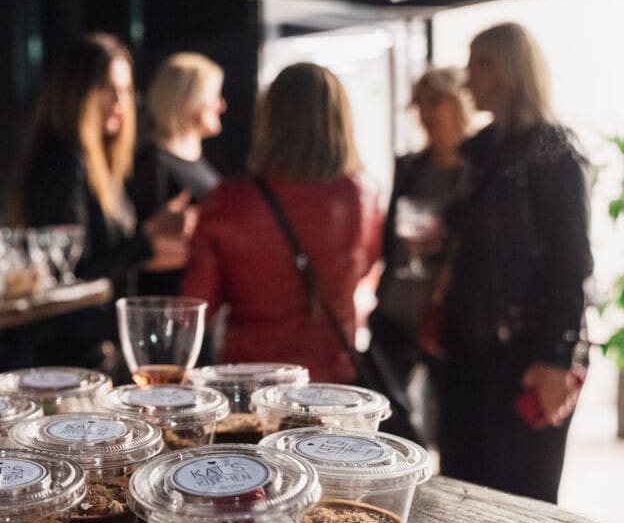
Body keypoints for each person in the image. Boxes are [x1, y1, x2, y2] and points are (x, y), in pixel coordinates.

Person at [435, 22, 591, 503]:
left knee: (522, 504)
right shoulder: (483, 154)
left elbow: (571, 261)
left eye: (479, 64)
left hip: (525, 355)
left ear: (508, 70)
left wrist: (555, 357)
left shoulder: (552, 151)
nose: (467, 79)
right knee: (464, 494)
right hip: (470, 354)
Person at [181, 62, 381, 382]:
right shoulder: (364, 196)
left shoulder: (229, 200)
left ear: (268, 119)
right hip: (334, 382)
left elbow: (197, 309)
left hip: (251, 381)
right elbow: (363, 268)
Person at [11, 32, 193, 368]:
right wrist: (149, 235)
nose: (120, 102)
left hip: (95, 345)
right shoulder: (63, 164)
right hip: (70, 355)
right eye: (108, 88)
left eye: (126, 89)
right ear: (76, 92)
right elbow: (77, 273)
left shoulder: (100, 163)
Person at [368, 68, 470, 442]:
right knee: (383, 413)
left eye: (435, 102)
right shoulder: (411, 166)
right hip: (397, 308)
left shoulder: (476, 171)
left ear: (459, 103)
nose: (426, 113)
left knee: (454, 420)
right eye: (420, 104)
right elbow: (388, 239)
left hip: (447, 313)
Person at [128, 52, 225, 295]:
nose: (222, 105)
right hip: (170, 303)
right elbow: (135, 254)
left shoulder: (198, 162)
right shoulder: (152, 164)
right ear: (189, 99)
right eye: (214, 95)